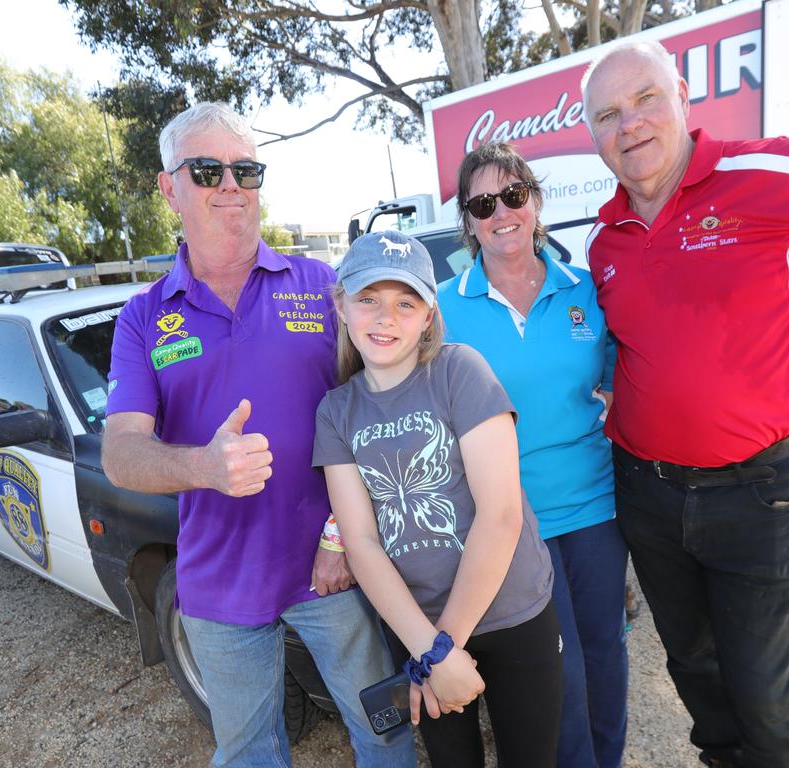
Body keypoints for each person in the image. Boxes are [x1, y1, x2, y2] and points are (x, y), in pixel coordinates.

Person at [100, 103, 416, 768]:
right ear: (168, 187)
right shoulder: (143, 316)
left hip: (331, 568)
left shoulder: (321, 286)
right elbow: (122, 453)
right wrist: (205, 467)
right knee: (247, 752)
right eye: (208, 169)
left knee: (384, 728)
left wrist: (340, 536)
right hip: (217, 585)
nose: (231, 186)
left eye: (246, 169)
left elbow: (379, 414)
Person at [581, 40, 789, 768]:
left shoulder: (764, 171)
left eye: (644, 100)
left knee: (768, 695)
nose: (629, 124)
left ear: (682, 98)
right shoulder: (603, 241)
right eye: (607, 114)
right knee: (694, 672)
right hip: (647, 494)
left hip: (760, 493)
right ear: (593, 136)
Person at [312, 230, 563, 768]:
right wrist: (428, 650)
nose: (386, 318)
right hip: (417, 624)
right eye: (368, 300)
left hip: (511, 612)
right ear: (341, 306)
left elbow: (499, 517)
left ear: (429, 314)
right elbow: (361, 542)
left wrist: (440, 653)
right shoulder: (336, 412)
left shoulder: (458, 370)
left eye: (406, 303)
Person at [436, 142, 628, 768]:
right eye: (483, 203)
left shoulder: (585, 288)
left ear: (536, 201)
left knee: (605, 656)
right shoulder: (444, 305)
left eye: (513, 195)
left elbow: (622, 367)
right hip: (508, 522)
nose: (501, 213)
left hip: (595, 508)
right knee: (561, 674)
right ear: (468, 220)